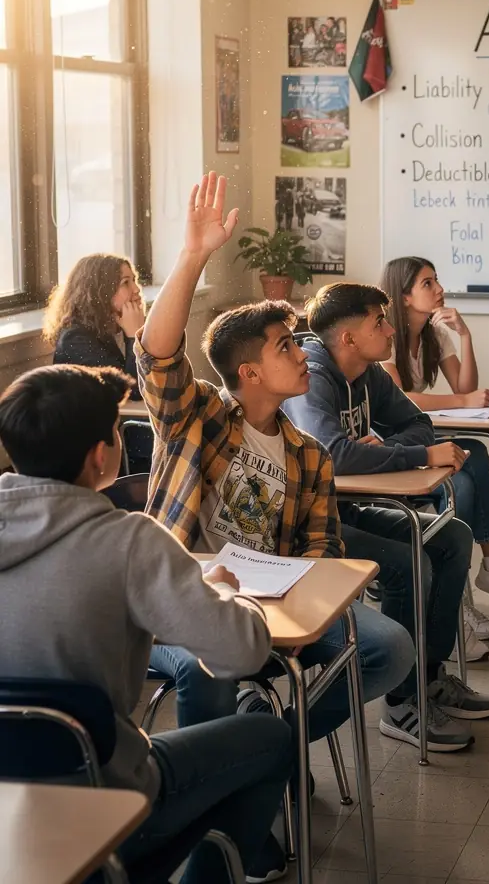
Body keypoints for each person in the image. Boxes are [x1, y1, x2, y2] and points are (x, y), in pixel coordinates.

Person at [135, 172, 415, 879]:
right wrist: (193, 255)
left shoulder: (309, 457)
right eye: (287, 348)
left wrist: (297, 592)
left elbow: (322, 554)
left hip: (277, 606)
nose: (303, 355)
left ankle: (267, 755)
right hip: (185, 606)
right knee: (211, 665)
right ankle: (220, 833)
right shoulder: (197, 418)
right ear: (248, 372)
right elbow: (158, 356)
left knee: (385, 648)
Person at [0, 364, 291, 883]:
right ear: (100, 455)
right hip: (102, 794)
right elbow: (242, 652)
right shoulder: (129, 541)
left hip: (7, 807)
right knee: (270, 739)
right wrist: (223, 589)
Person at [282, 281, 489, 743]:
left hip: (349, 510)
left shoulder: (369, 372)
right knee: (409, 563)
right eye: (378, 322)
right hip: (313, 525)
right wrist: (416, 456)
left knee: (453, 535)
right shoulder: (313, 376)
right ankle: (402, 705)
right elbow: (335, 456)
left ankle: (427, 678)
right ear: (347, 338)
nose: (389, 331)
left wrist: (387, 446)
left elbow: (418, 425)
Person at [380, 256, 489, 640]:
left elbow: (464, 387)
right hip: (393, 444)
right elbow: (401, 399)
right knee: (465, 485)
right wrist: (464, 402)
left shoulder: (434, 333)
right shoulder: (386, 336)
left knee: (479, 451)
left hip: (421, 434)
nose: (439, 289)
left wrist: (465, 335)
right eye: (427, 283)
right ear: (404, 296)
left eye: (437, 280)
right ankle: (456, 595)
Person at [44, 253, 151, 472]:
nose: (136, 289)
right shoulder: (76, 338)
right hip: (91, 446)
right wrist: (135, 336)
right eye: (125, 283)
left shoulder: (105, 331)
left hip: (114, 432)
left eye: (134, 280)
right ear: (100, 291)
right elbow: (133, 390)